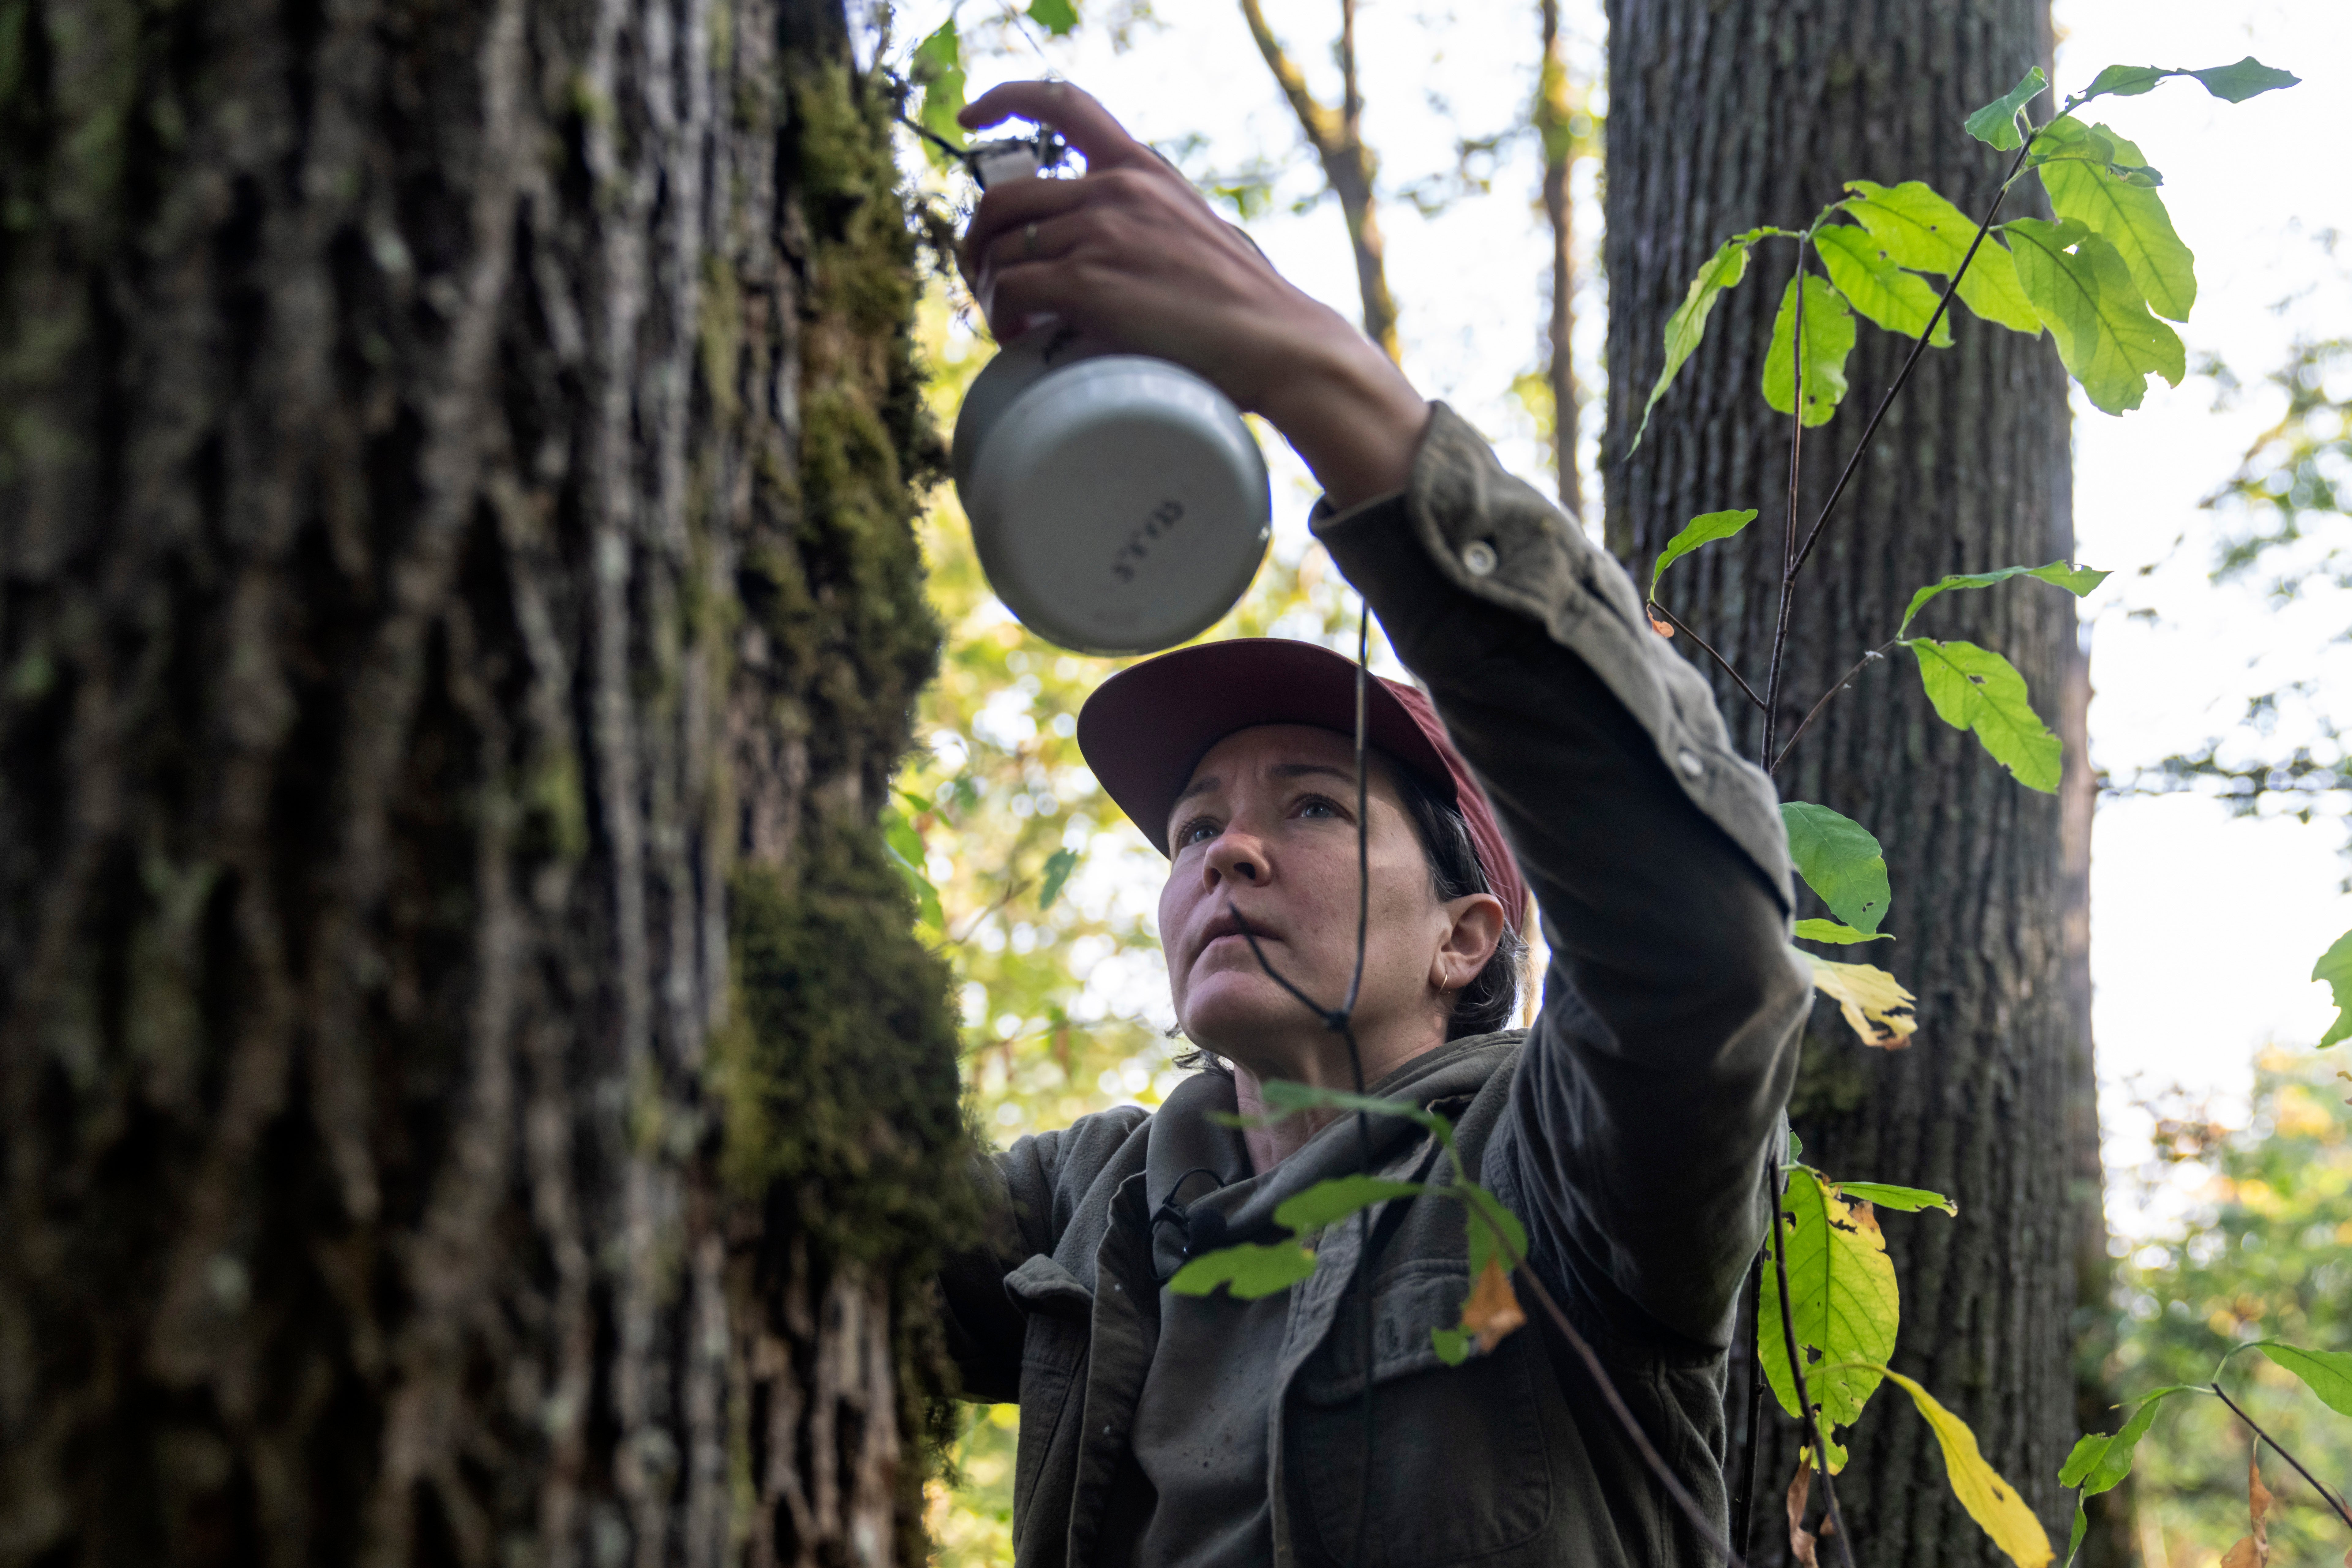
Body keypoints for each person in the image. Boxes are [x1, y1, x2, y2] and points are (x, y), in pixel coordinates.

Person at [936, 80, 1811, 1568]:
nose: (1228, 847)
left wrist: (1305, 369)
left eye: (1316, 805)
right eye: (1192, 825)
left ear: (1470, 931)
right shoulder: (1094, 1207)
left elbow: (1702, 954)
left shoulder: (1563, 1169)